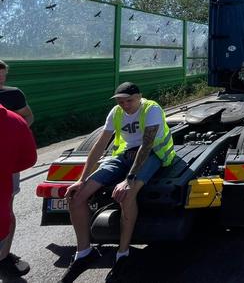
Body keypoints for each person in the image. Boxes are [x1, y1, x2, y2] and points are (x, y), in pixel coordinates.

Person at [61, 82, 175, 283]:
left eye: (129, 101)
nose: (125, 105)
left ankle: (123, 254)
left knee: (126, 194)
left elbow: (146, 145)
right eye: (121, 101)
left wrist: (128, 180)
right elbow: (100, 145)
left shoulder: (152, 109)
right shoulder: (116, 112)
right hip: (123, 156)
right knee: (77, 197)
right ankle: (84, 252)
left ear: (140, 96)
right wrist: (81, 179)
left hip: (152, 154)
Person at [0, 60, 34, 277]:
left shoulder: (13, 94)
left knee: (6, 206)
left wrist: (15, 134)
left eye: (3, 75)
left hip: (8, 157)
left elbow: (28, 116)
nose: (1, 79)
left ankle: (4, 254)